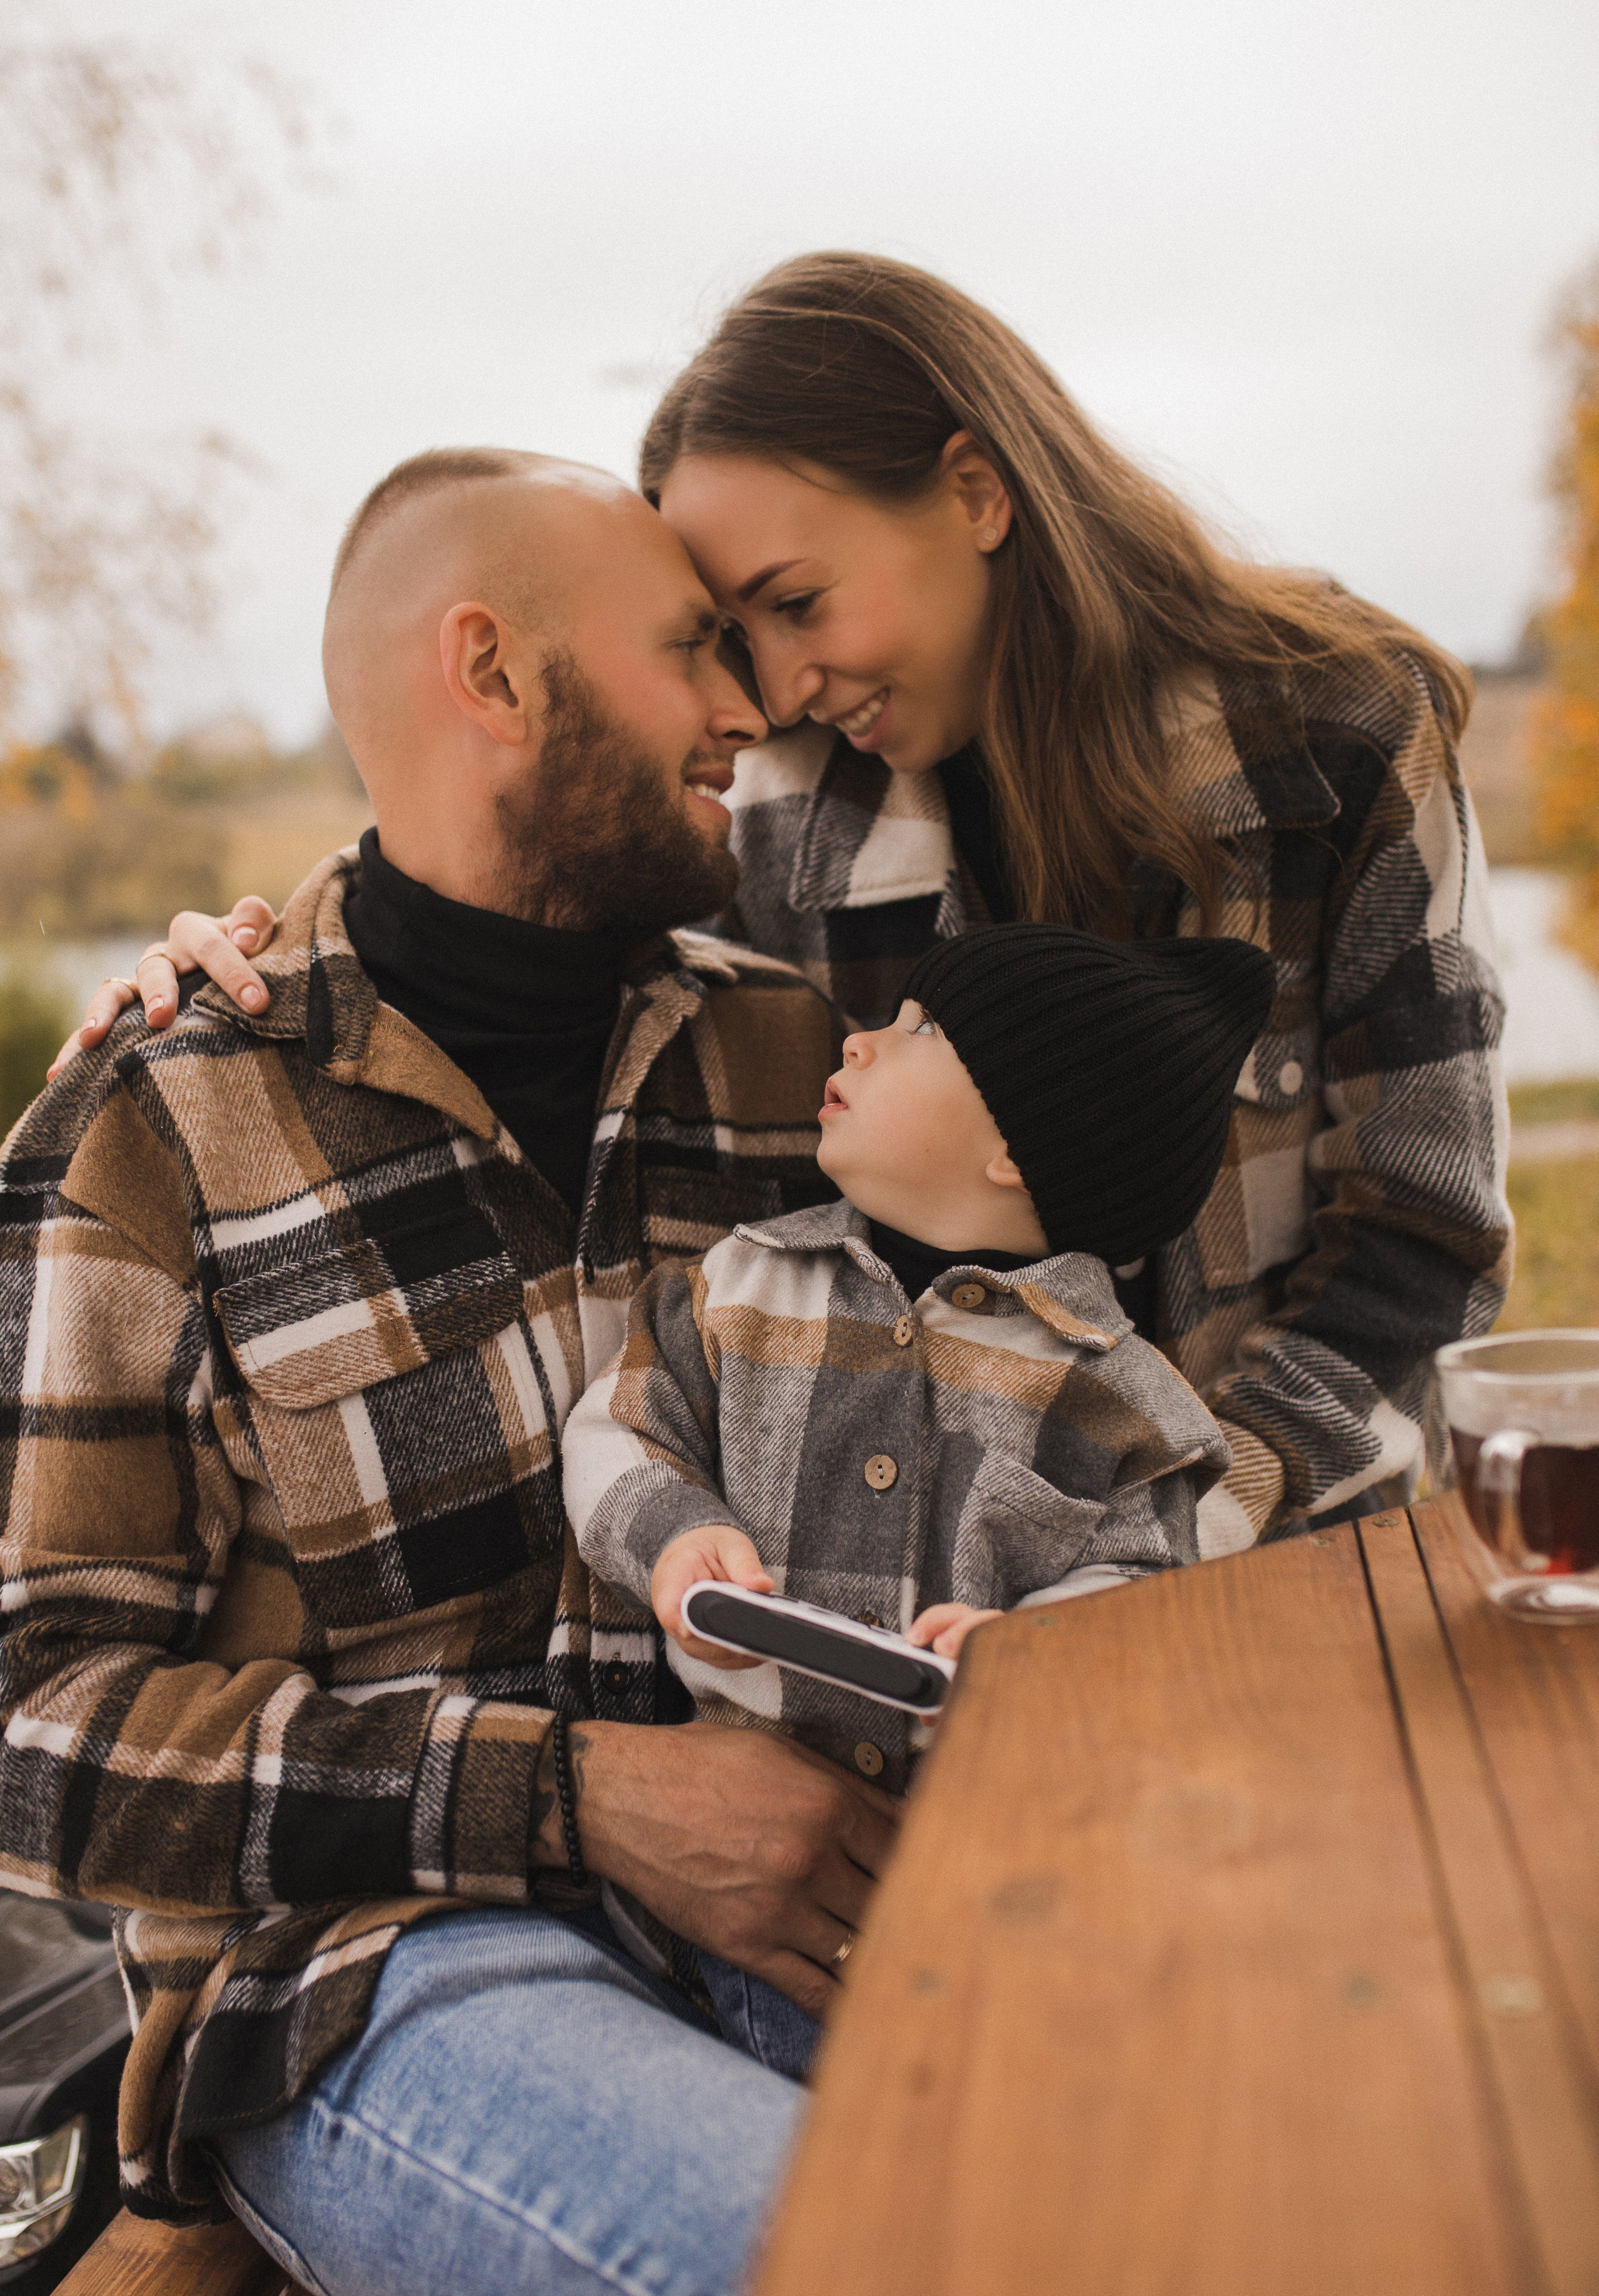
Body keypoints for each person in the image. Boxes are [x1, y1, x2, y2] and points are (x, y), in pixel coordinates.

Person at [75, 252, 1511, 1553]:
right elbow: (502, 913)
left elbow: (1419, 1239)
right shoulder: (783, 815)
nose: (768, 690)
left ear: (975, 491)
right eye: (726, 635)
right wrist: (264, 960)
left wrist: (1168, 1531)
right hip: (916, 1635)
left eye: (796, 604)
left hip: (1292, 1576)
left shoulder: (1335, 734)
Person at [0, 447, 906, 2296]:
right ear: (492, 674)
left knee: (1159, 2189)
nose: (748, 714)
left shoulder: (794, 1061)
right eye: (693, 654)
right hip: (364, 1979)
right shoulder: (154, 1132)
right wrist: (575, 1795)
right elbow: (38, 1734)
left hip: (800, 1896)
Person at [563, 923, 1272, 2080]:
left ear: (1016, 1145)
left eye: (920, 1031)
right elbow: (622, 1425)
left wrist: (1036, 1650)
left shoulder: (1114, 1389)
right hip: (733, 1890)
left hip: (1000, 1882)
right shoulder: (740, 1281)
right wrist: (673, 1537)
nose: (862, 1037)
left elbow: (1152, 1585)